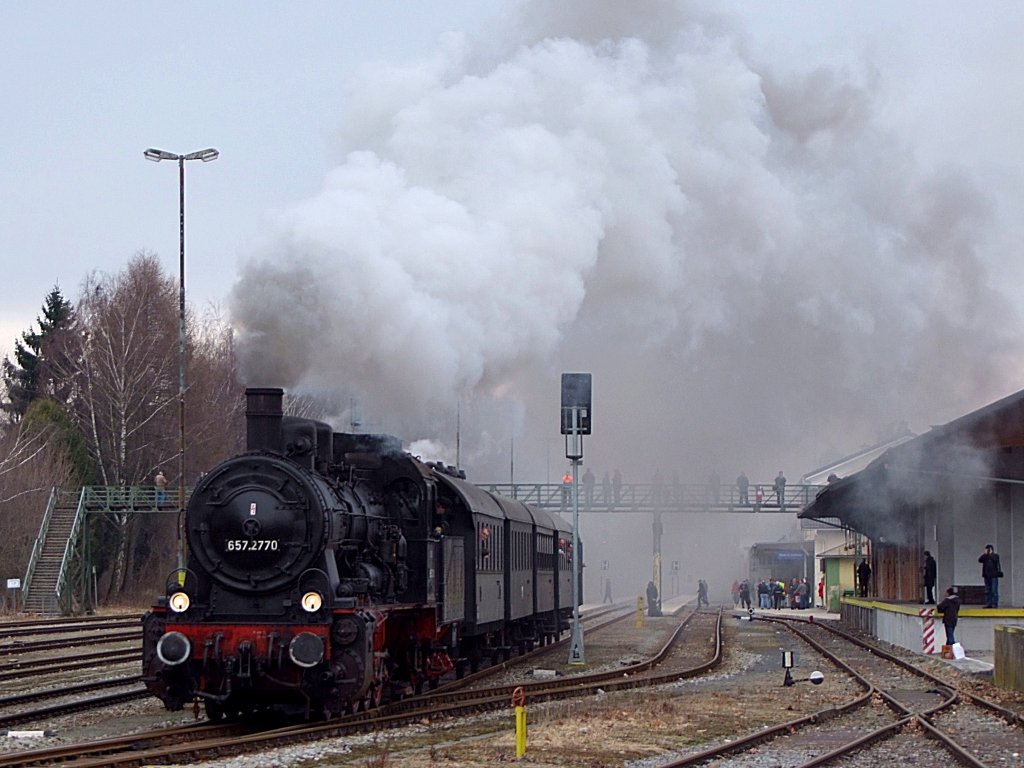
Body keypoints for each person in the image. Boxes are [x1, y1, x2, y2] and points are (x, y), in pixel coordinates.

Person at [979, 544, 1003, 608]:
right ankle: (988, 603)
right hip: (986, 576)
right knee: (987, 590)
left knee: (994, 590)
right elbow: (980, 560)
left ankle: (994, 603)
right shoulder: (985, 557)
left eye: (988, 549)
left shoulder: (995, 556)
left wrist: (990, 554)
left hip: (994, 576)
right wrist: (985, 554)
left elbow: (996, 560)